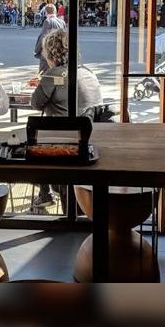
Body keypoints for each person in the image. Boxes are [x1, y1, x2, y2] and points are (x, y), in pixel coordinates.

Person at [28, 29, 103, 209]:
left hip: (64, 147)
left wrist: (45, 81)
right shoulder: (87, 72)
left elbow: (36, 104)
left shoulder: (55, 75)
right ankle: (46, 192)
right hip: (91, 144)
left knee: (30, 143)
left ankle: (45, 192)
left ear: (50, 53)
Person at [34, 4, 66, 72]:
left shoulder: (48, 21)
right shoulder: (62, 22)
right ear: (55, 11)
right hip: (59, 53)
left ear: (46, 12)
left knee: (44, 74)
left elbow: (43, 37)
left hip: (49, 53)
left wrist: (36, 50)